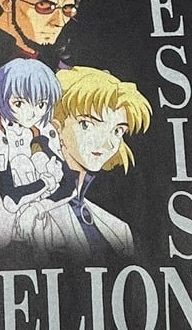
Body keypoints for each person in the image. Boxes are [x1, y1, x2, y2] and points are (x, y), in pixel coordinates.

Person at [33, 65, 151, 259]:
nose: (106, 143)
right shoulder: (31, 216)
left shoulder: (118, 229)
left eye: (117, 130)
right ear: (55, 126)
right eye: (87, 124)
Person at [0, 58, 65, 253]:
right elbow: (9, 200)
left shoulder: (44, 128)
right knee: (23, 163)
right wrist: (47, 182)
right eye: (20, 103)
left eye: (41, 104)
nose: (31, 113)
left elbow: (68, 186)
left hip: (37, 211)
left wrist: (37, 208)